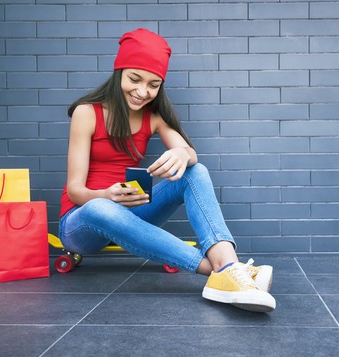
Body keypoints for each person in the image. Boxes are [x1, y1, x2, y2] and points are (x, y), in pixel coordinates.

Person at [58, 28, 276, 313]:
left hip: (130, 212)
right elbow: (75, 191)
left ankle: (228, 264)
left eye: (153, 84)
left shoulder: (154, 116)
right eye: (134, 79)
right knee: (101, 208)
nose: (142, 92)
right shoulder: (87, 112)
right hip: (83, 220)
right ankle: (220, 271)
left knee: (195, 171)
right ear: (119, 73)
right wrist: (106, 196)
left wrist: (181, 153)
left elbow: (191, 155)